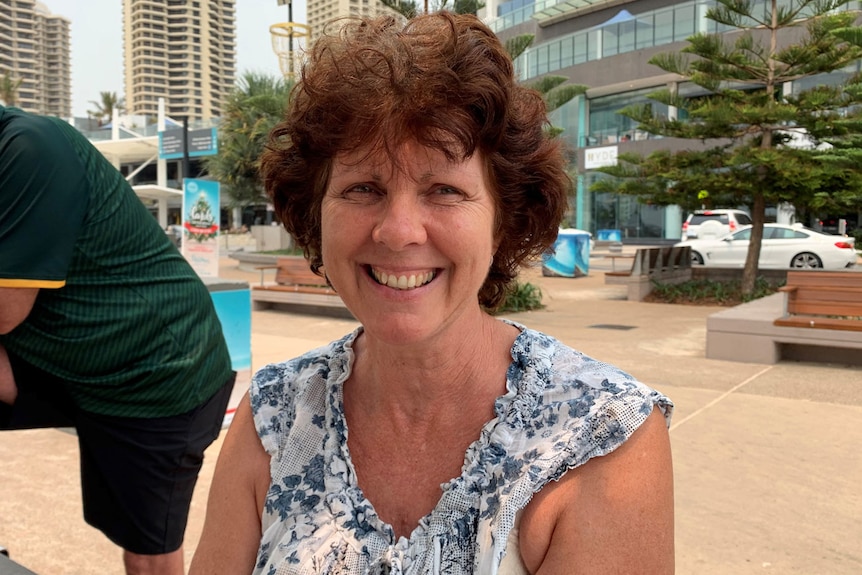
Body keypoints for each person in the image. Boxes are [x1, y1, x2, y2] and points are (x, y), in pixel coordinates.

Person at [191, 11, 674, 575]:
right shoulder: (273, 419)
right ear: (314, 214)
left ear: (504, 219)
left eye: (444, 189)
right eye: (362, 187)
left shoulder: (602, 436)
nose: (398, 231)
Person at [0, 104, 236, 575]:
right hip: (67, 356)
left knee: (147, 551)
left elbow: (5, 309)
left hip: (156, 369)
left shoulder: (27, 147)